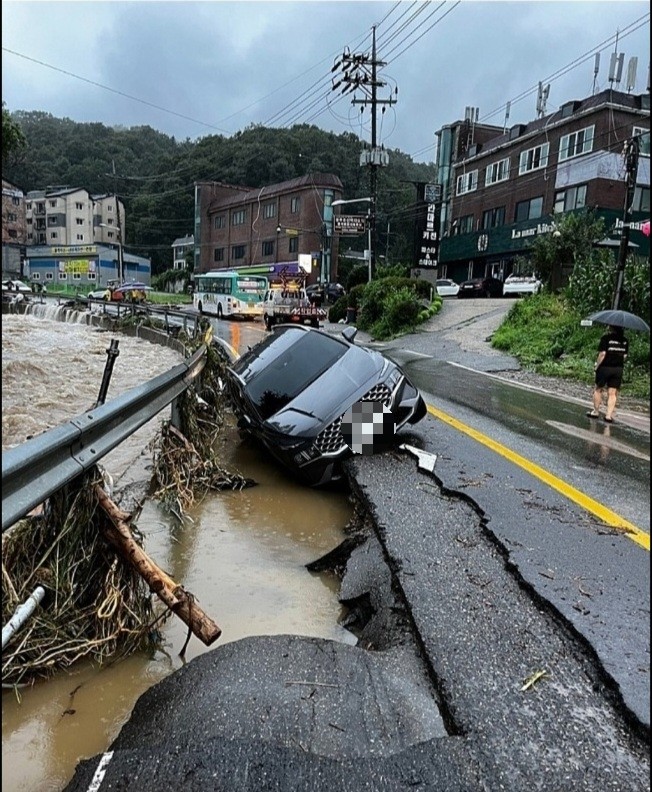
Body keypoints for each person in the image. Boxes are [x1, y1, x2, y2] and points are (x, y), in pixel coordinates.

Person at [587, 324, 629, 423]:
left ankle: (596, 412)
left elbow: (602, 354)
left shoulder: (606, 338)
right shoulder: (625, 341)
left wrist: (597, 366)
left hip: (605, 368)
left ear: (611, 328)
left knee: (598, 389)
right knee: (612, 393)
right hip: (618, 369)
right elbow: (625, 356)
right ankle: (608, 416)